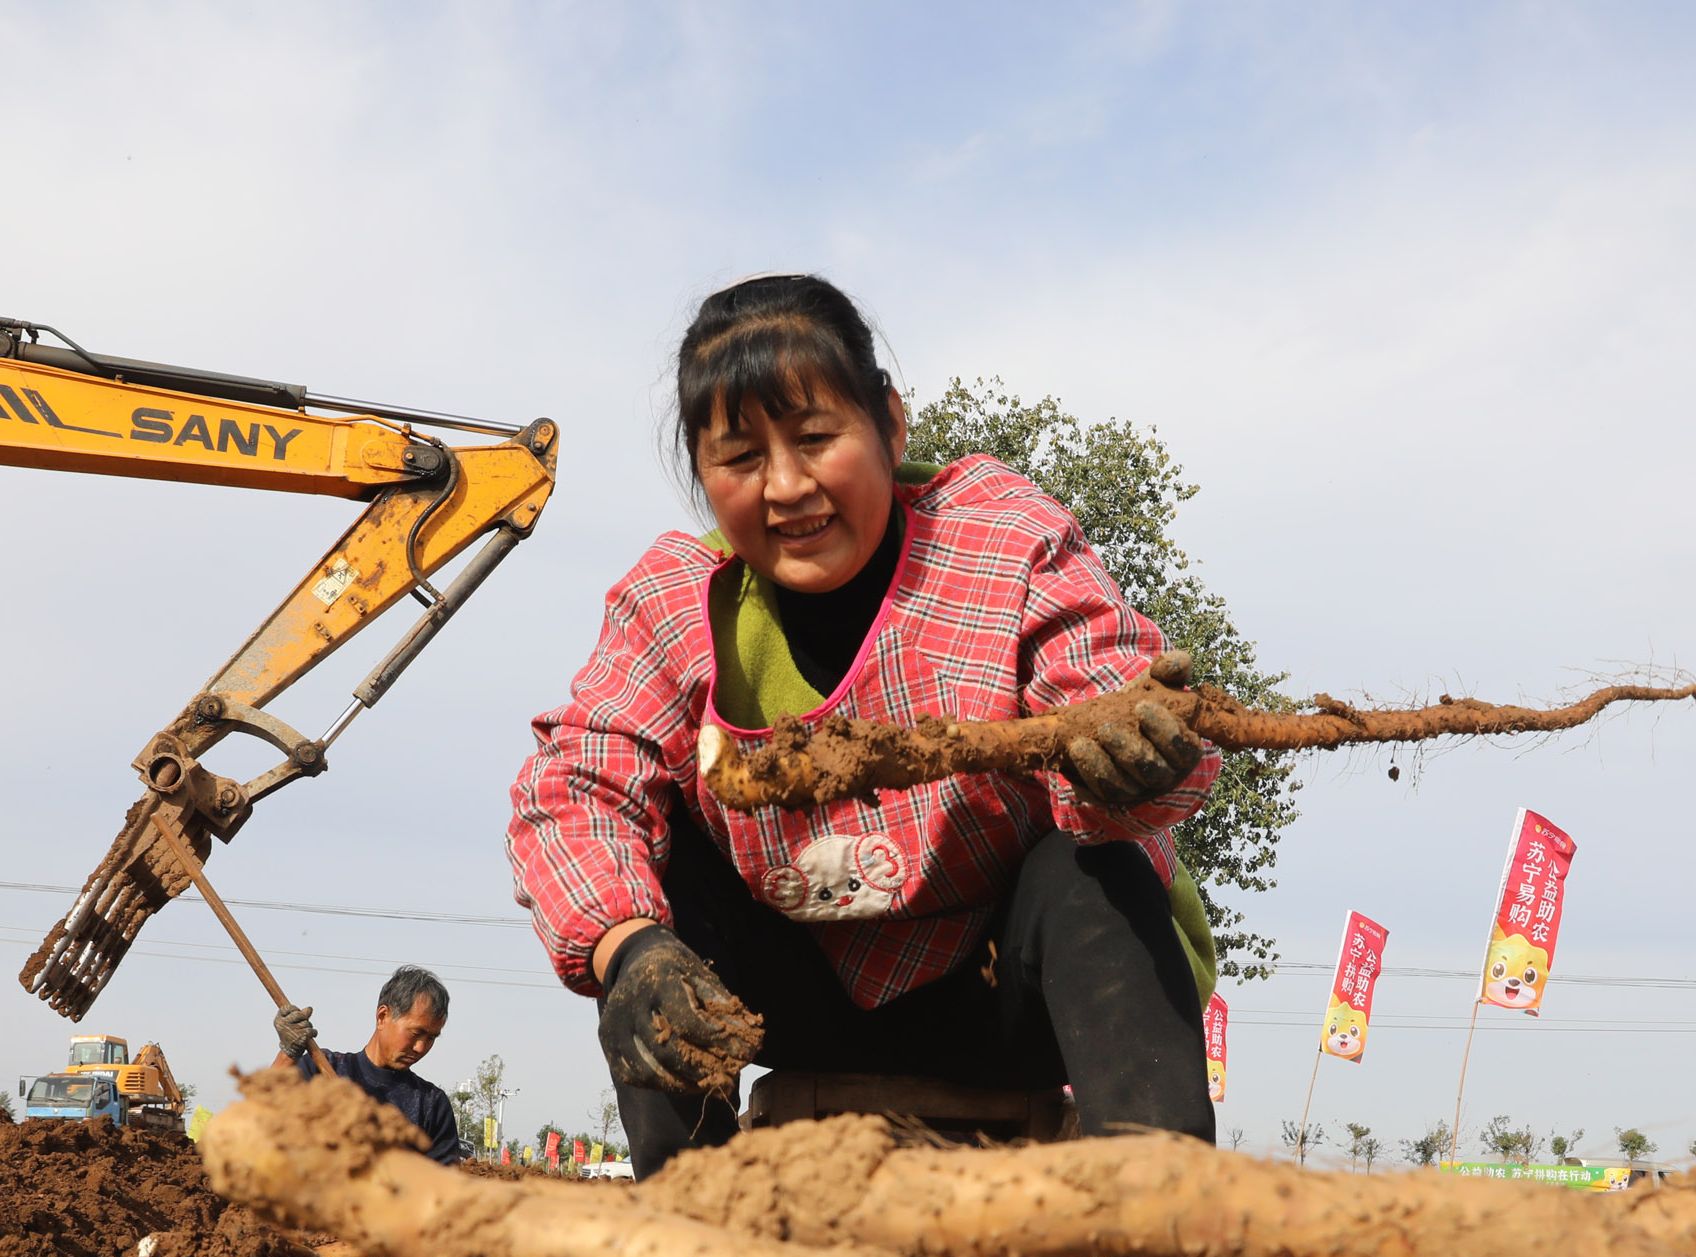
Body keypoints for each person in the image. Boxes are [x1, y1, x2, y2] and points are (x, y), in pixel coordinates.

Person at [507, 273, 1221, 1180]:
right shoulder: (671, 602)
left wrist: (1135, 756)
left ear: (891, 425)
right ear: (701, 472)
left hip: (1004, 995)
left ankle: (1172, 1236)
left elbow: (1109, 686)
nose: (788, 487)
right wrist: (624, 946)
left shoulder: (1003, 539)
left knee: (1092, 867)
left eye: (815, 438)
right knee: (650, 905)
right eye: (740, 458)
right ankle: (694, 1252)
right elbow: (577, 785)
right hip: (796, 1005)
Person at [274, 965, 462, 1166]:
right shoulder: (319, 1070)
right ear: (382, 1017)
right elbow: (257, 1118)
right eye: (415, 1033)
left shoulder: (432, 1105)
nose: (420, 1047)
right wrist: (288, 1054)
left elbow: (445, 1188)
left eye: (431, 1038)